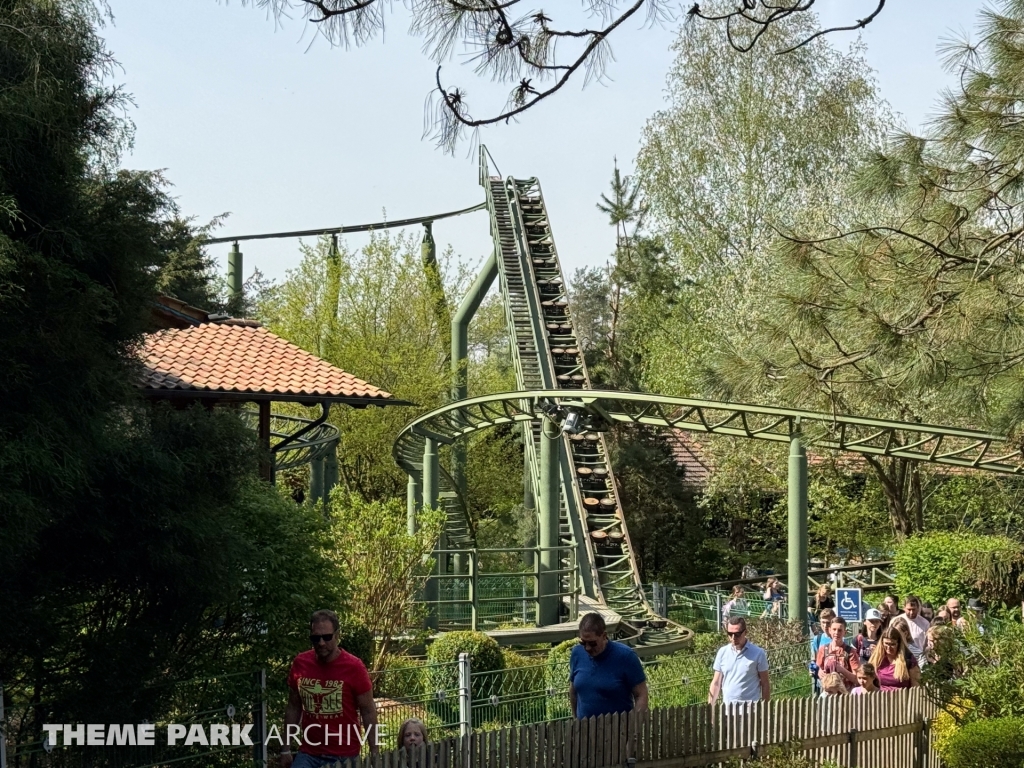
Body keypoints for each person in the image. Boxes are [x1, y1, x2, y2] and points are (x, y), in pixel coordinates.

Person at [283, 609, 378, 768]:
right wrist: (285, 749)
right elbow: (293, 707)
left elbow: (368, 710)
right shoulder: (301, 663)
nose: (321, 643)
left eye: (327, 637)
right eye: (316, 638)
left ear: (337, 635)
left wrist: (374, 750)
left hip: (343, 755)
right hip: (309, 752)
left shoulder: (354, 667)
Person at [569, 613, 648, 718]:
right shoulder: (577, 653)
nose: (587, 648)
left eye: (592, 643)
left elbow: (641, 694)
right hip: (584, 731)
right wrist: (575, 720)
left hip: (618, 731)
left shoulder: (626, 656)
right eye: (583, 643)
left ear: (604, 636)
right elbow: (573, 690)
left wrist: (634, 726)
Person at [708, 617, 771, 705]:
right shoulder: (722, 652)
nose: (733, 637)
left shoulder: (758, 653)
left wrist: (765, 709)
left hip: (750, 711)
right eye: (730, 634)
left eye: (737, 634)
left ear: (745, 632)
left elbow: (765, 683)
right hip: (727, 711)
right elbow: (716, 683)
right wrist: (710, 708)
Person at [868, 626, 920, 691]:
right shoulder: (876, 659)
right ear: (881, 643)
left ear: (898, 644)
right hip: (881, 698)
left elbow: (916, 686)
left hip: (902, 698)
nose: (889, 648)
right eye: (886, 643)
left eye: (892, 644)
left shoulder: (908, 659)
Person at [814, 616, 860, 689]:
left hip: (845, 694)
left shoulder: (850, 652)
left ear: (845, 632)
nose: (836, 633)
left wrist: (842, 670)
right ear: (830, 630)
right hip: (828, 693)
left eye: (840, 630)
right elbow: (817, 668)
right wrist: (819, 672)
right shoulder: (823, 649)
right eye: (834, 629)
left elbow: (857, 679)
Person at [891, 595, 930, 666]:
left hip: (918, 658)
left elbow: (927, 644)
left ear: (918, 608)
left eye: (914, 609)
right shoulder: (896, 621)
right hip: (898, 656)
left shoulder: (925, 623)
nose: (911, 612)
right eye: (909, 609)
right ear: (904, 608)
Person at [808, 609, 835, 695]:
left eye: (828, 622)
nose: (825, 625)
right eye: (823, 622)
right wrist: (814, 669)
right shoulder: (817, 639)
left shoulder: (840, 639)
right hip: (821, 681)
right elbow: (813, 660)